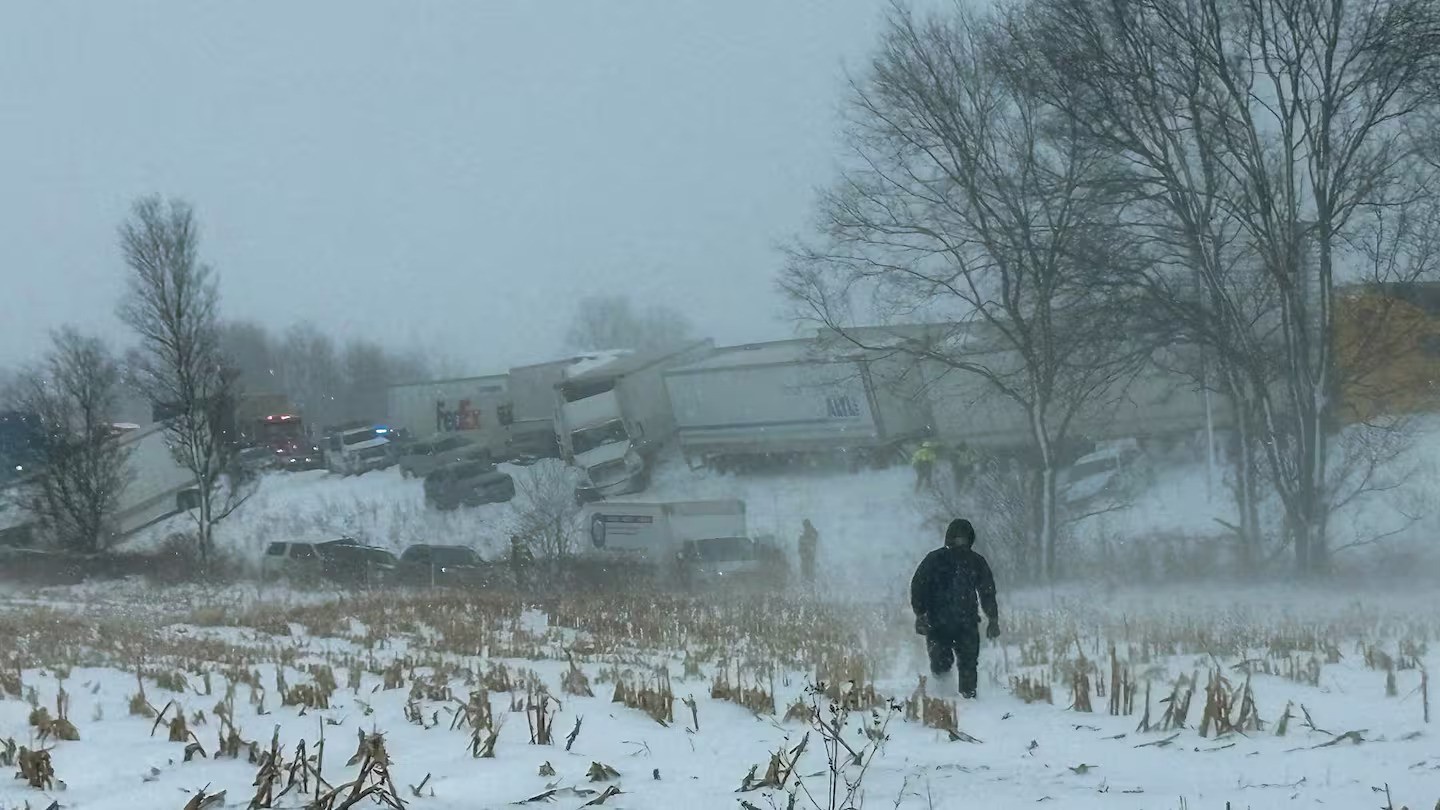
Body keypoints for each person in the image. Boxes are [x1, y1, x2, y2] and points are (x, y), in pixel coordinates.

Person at [909, 518, 1000, 698]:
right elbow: (918, 586)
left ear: (969, 539)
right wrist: (920, 614)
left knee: (968, 664)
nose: (960, 541)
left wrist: (993, 618)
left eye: (963, 538)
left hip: (965, 623)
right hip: (938, 623)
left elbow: (987, 591)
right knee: (941, 665)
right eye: (957, 537)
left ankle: (968, 700)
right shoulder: (935, 559)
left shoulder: (975, 561)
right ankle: (943, 698)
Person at [798, 519, 818, 584]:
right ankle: (806, 582)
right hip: (806, 557)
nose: (805, 527)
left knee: (809, 572)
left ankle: (809, 582)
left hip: (809, 556)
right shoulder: (804, 534)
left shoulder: (812, 533)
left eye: (805, 525)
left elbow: (812, 542)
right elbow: (800, 548)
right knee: (805, 572)